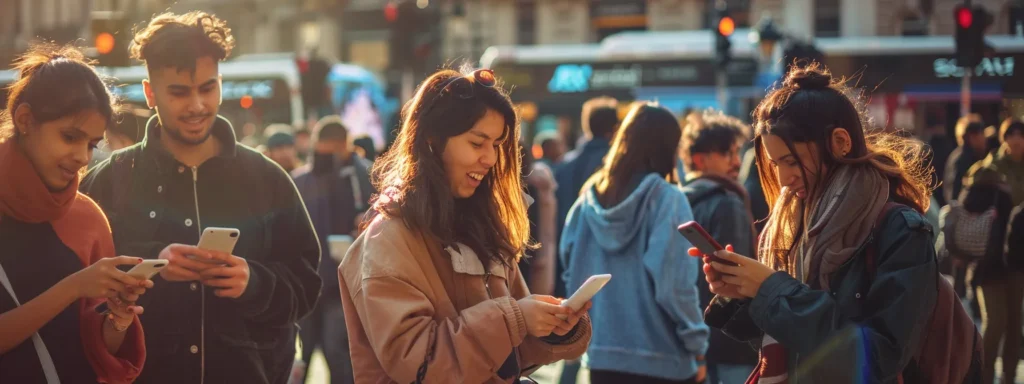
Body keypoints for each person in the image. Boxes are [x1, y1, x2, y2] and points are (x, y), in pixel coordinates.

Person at [80, 11, 322, 383]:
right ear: (150, 93)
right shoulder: (108, 181)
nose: (196, 105)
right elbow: (77, 288)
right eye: (179, 92)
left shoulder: (267, 179)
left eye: (207, 88)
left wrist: (254, 282)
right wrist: (152, 263)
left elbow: (306, 286)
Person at [339, 68, 592, 383]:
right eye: (477, 143)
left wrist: (551, 328)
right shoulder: (387, 239)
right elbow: (419, 364)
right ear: (432, 139)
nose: (489, 158)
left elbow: (508, 356)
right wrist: (515, 318)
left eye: (498, 145)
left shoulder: (485, 226)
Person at [698, 65, 945, 382]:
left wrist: (771, 289)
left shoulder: (901, 230)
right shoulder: (791, 222)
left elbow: (881, 357)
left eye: (791, 161)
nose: (784, 179)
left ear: (840, 141)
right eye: (776, 165)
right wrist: (744, 293)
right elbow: (788, 345)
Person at [0, 44, 149, 382]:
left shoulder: (87, 218)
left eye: (93, 144)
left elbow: (96, 350)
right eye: (70, 137)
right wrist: (72, 287)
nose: (83, 156)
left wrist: (117, 320)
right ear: (24, 120)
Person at [560, 103, 708, 384]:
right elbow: (675, 285)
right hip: (665, 361)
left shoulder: (587, 200)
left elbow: (572, 274)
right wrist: (697, 345)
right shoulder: (668, 199)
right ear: (669, 147)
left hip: (602, 358)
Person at [291, 115, 375, 384]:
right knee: (303, 355)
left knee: (338, 354)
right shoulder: (301, 181)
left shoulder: (360, 176)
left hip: (343, 285)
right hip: (308, 283)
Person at [678, 109, 758, 384]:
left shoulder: (675, 201)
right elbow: (736, 276)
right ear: (700, 158)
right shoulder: (728, 202)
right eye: (727, 153)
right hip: (730, 343)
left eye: (737, 152)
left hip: (687, 337)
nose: (736, 161)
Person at [519, 141, 558, 296]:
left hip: (526, 253)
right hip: (541, 250)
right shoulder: (541, 183)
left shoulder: (529, 189)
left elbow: (532, 226)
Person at [944, 115, 986, 204]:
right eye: (981, 133)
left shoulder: (961, 155)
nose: (983, 138)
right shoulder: (962, 159)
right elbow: (954, 192)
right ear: (971, 136)